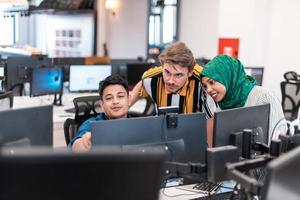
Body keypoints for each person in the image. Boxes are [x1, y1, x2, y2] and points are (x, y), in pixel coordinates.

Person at [130, 42, 216, 147]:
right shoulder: (151, 79)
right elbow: (128, 101)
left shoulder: (203, 84)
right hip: (162, 141)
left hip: (193, 140)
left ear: (189, 73)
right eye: (167, 72)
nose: (170, 81)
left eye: (178, 75)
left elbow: (210, 127)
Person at [201, 54, 286, 144]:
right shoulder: (221, 107)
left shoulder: (264, 97)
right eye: (205, 86)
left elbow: (279, 138)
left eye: (211, 82)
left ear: (227, 76)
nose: (208, 90)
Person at [70, 74, 130, 152]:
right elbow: (76, 147)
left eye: (120, 96)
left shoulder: (138, 124)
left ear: (129, 100)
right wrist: (84, 144)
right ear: (102, 105)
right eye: (109, 98)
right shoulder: (91, 124)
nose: (115, 102)